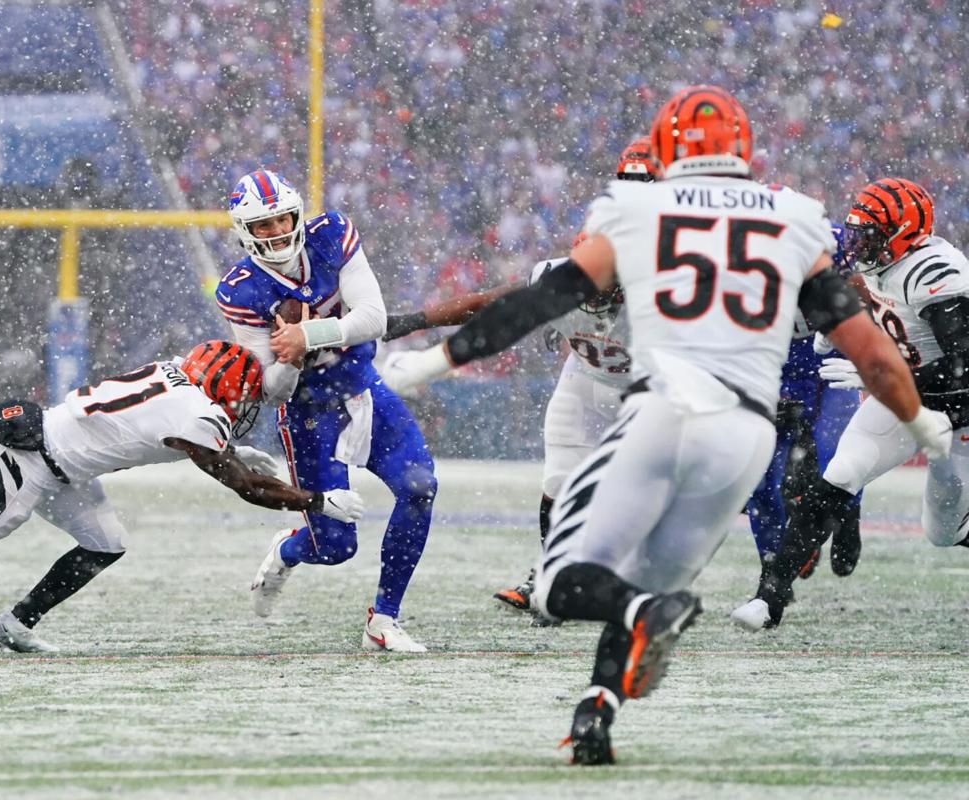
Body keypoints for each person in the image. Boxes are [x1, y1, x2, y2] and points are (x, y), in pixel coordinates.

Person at [380, 86, 948, 764]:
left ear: (668, 149)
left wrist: (427, 364)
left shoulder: (636, 208)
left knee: (564, 587)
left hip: (665, 411)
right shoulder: (794, 219)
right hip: (743, 435)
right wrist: (925, 429)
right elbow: (876, 354)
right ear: (743, 150)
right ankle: (598, 711)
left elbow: (539, 302)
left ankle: (637, 621)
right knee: (646, 585)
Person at [0, 341, 365, 652]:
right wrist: (315, 501)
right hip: (29, 461)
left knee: (105, 542)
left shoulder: (177, 378)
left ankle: (17, 623)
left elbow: (210, 450)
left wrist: (244, 459)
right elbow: (241, 486)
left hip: (67, 471)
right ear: (225, 392)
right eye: (243, 401)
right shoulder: (197, 412)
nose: (244, 412)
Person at [384, 137, 656, 620]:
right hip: (584, 380)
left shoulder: (661, 292)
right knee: (557, 482)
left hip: (646, 395)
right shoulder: (557, 277)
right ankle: (547, 582)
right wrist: (411, 321)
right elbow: (486, 304)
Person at [733, 178, 969, 629]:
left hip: (957, 411)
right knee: (840, 474)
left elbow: (964, 369)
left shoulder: (935, 271)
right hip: (901, 396)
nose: (861, 244)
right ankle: (770, 599)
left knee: (945, 531)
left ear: (903, 233)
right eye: (857, 232)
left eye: (872, 235)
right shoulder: (877, 263)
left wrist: (878, 377)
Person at [217, 169, 436, 652]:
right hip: (308, 413)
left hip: (363, 388)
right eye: (262, 225)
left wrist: (307, 334)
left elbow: (373, 318)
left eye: (282, 219)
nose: (275, 232)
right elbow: (272, 390)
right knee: (336, 548)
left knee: (420, 487)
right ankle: (289, 548)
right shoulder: (241, 290)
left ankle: (384, 619)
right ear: (244, 233)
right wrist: (290, 359)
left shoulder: (330, 233)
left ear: (298, 214)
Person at [735, 223, 865, 619]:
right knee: (756, 483)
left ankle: (849, 515)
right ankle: (773, 575)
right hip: (773, 374)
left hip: (830, 371)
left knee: (837, 463)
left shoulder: (857, 284)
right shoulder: (751, 283)